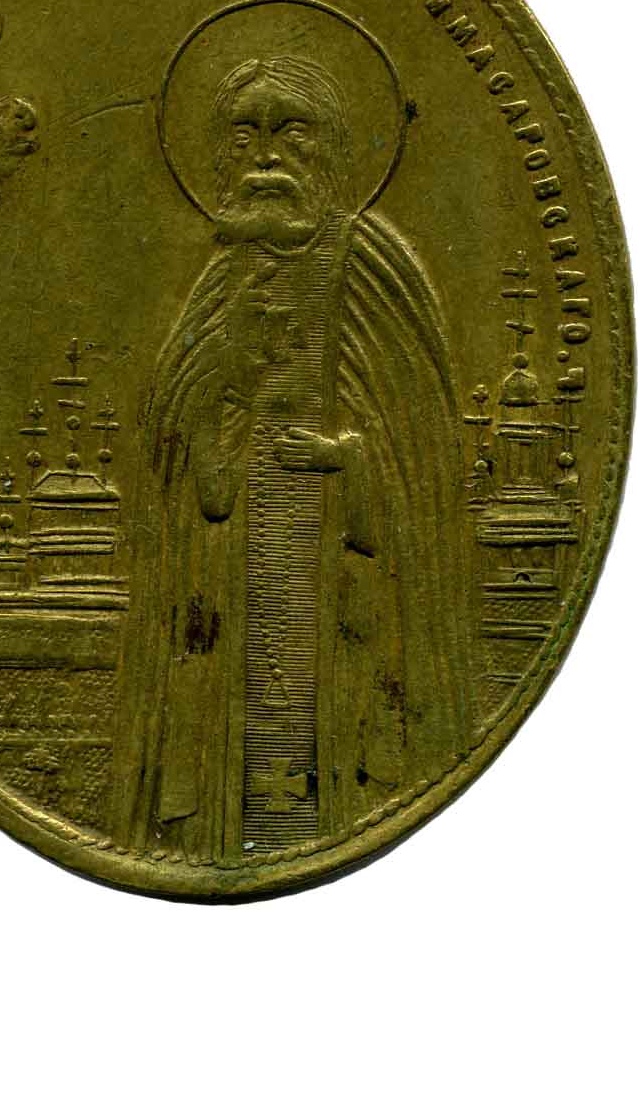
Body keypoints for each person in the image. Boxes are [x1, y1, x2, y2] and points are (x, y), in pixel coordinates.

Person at [112, 55, 471, 863]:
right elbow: (170, 452)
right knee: (229, 770)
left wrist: (346, 460)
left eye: (291, 132)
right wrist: (219, 392)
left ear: (333, 152)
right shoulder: (217, 286)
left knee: (327, 755)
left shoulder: (372, 270)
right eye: (245, 136)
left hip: (344, 594)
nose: (266, 155)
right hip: (226, 589)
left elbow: (422, 463)